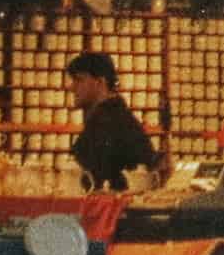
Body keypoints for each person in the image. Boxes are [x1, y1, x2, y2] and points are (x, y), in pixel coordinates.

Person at [65, 50, 157, 190]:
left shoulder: (108, 122)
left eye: (79, 80)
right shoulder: (114, 116)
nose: (71, 87)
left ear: (100, 82)